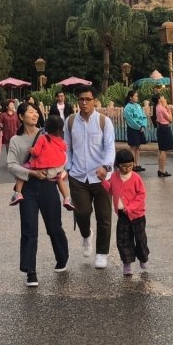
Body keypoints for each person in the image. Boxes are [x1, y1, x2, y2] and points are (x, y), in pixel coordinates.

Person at [7, 101, 70, 287]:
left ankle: (62, 257)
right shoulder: (16, 141)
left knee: (54, 226)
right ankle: (30, 271)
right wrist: (32, 173)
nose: (35, 114)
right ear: (21, 116)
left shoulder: (47, 134)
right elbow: (11, 165)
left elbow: (60, 154)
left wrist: (60, 171)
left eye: (36, 112)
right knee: (29, 229)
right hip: (28, 187)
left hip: (48, 185)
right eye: (30, 112)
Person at [64, 86, 116, 268]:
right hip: (78, 176)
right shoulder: (70, 122)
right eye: (81, 99)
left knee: (104, 216)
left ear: (95, 101)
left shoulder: (104, 121)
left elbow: (110, 148)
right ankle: (86, 234)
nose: (84, 103)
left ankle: (101, 253)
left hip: (101, 176)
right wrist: (68, 168)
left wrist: (106, 167)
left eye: (88, 99)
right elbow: (66, 148)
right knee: (82, 212)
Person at [9, 115, 73, 210]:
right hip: (55, 168)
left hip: (41, 166)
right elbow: (65, 149)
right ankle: (67, 198)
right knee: (59, 179)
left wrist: (32, 150)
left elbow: (36, 152)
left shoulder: (43, 138)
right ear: (60, 130)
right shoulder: (61, 140)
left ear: (46, 127)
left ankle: (17, 193)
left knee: (23, 170)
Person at [103, 149, 149, 276]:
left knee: (140, 238)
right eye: (124, 166)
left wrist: (130, 207)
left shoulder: (136, 178)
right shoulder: (114, 177)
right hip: (122, 214)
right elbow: (111, 190)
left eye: (130, 165)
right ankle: (127, 263)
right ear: (117, 165)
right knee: (123, 239)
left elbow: (141, 195)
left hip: (137, 214)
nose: (127, 168)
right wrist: (103, 182)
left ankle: (143, 257)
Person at [123, 89, 148, 172]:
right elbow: (130, 120)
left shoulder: (138, 106)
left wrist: (143, 125)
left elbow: (144, 116)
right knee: (133, 147)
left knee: (138, 147)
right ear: (131, 97)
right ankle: (132, 165)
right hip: (133, 128)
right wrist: (138, 127)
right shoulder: (127, 107)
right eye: (135, 96)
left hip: (140, 128)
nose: (137, 97)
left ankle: (137, 164)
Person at [153, 93, 173, 177]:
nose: (163, 97)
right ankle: (162, 169)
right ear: (159, 100)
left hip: (160, 128)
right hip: (164, 128)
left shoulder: (156, 107)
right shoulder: (161, 109)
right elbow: (170, 119)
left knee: (161, 149)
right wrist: (168, 109)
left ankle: (160, 169)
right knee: (164, 150)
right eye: (162, 97)